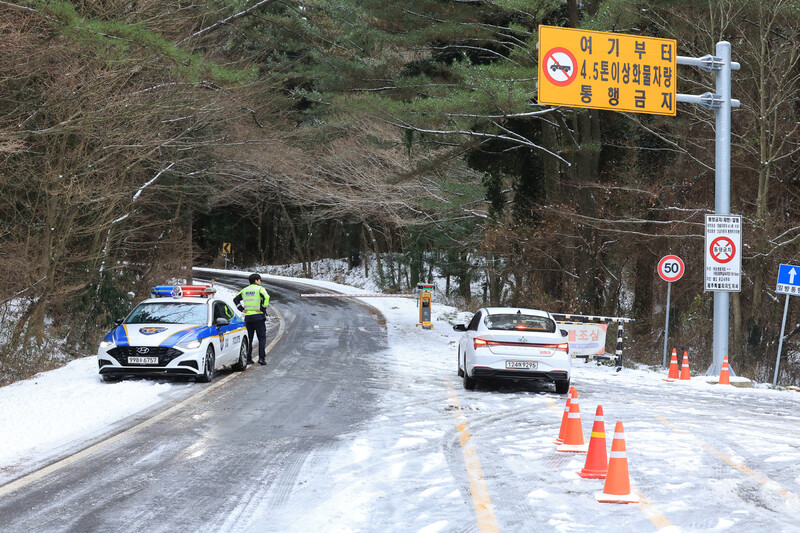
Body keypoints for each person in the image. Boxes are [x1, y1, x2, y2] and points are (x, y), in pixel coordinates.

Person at [233, 273, 270, 365]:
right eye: (260, 280)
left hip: (248, 318)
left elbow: (235, 299)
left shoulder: (245, 290)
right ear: (256, 280)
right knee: (261, 338)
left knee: (249, 338)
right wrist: (262, 308)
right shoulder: (260, 289)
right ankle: (261, 358)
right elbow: (267, 297)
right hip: (258, 316)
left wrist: (241, 309)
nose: (260, 282)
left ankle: (248, 358)